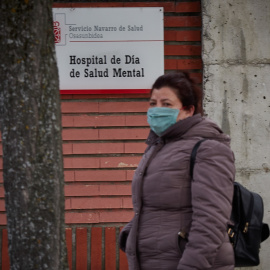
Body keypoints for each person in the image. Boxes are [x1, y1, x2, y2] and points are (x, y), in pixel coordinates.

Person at [119, 72, 235, 270]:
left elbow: (211, 219)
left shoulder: (208, 149)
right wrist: (131, 233)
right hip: (156, 260)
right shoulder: (159, 147)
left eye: (166, 104)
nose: (156, 110)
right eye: (152, 103)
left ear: (188, 110)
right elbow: (154, 204)